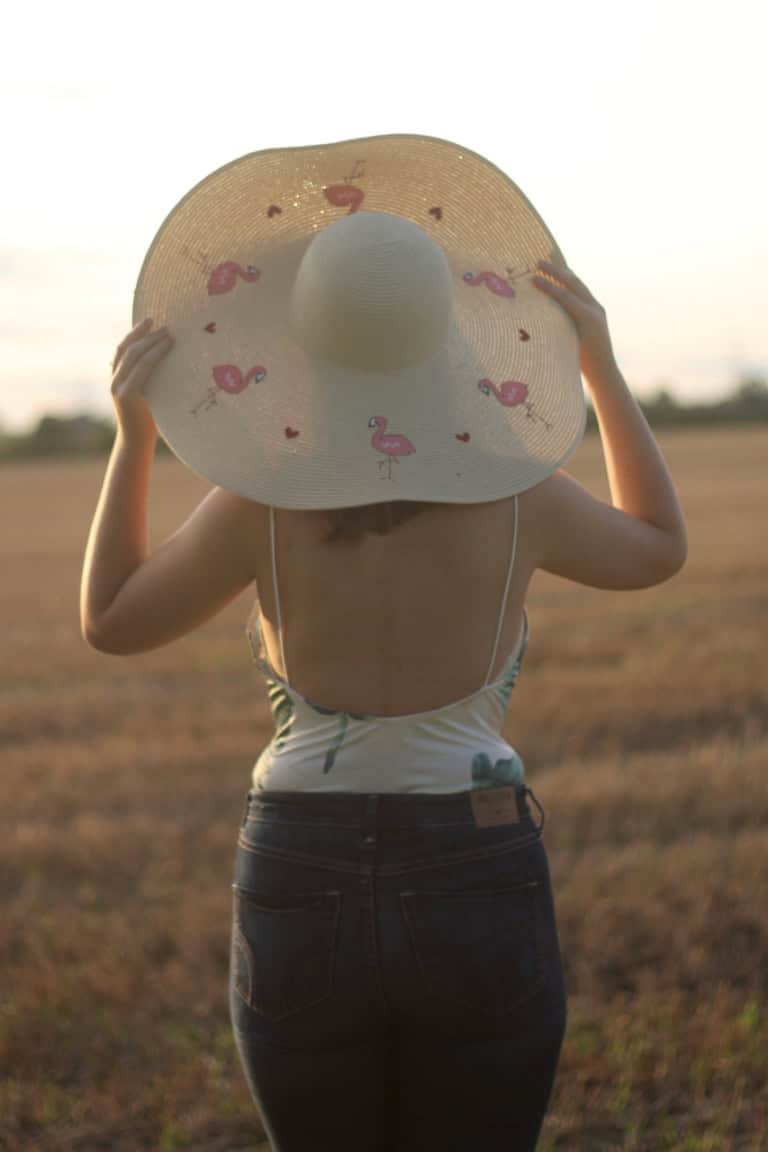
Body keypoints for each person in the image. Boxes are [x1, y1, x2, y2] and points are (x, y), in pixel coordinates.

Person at [81, 135, 688, 1152]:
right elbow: (661, 548)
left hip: (296, 858)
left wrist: (133, 439)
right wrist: (602, 369)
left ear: (303, 346)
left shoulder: (257, 507)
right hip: (475, 854)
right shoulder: (518, 491)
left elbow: (110, 622)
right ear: (452, 333)